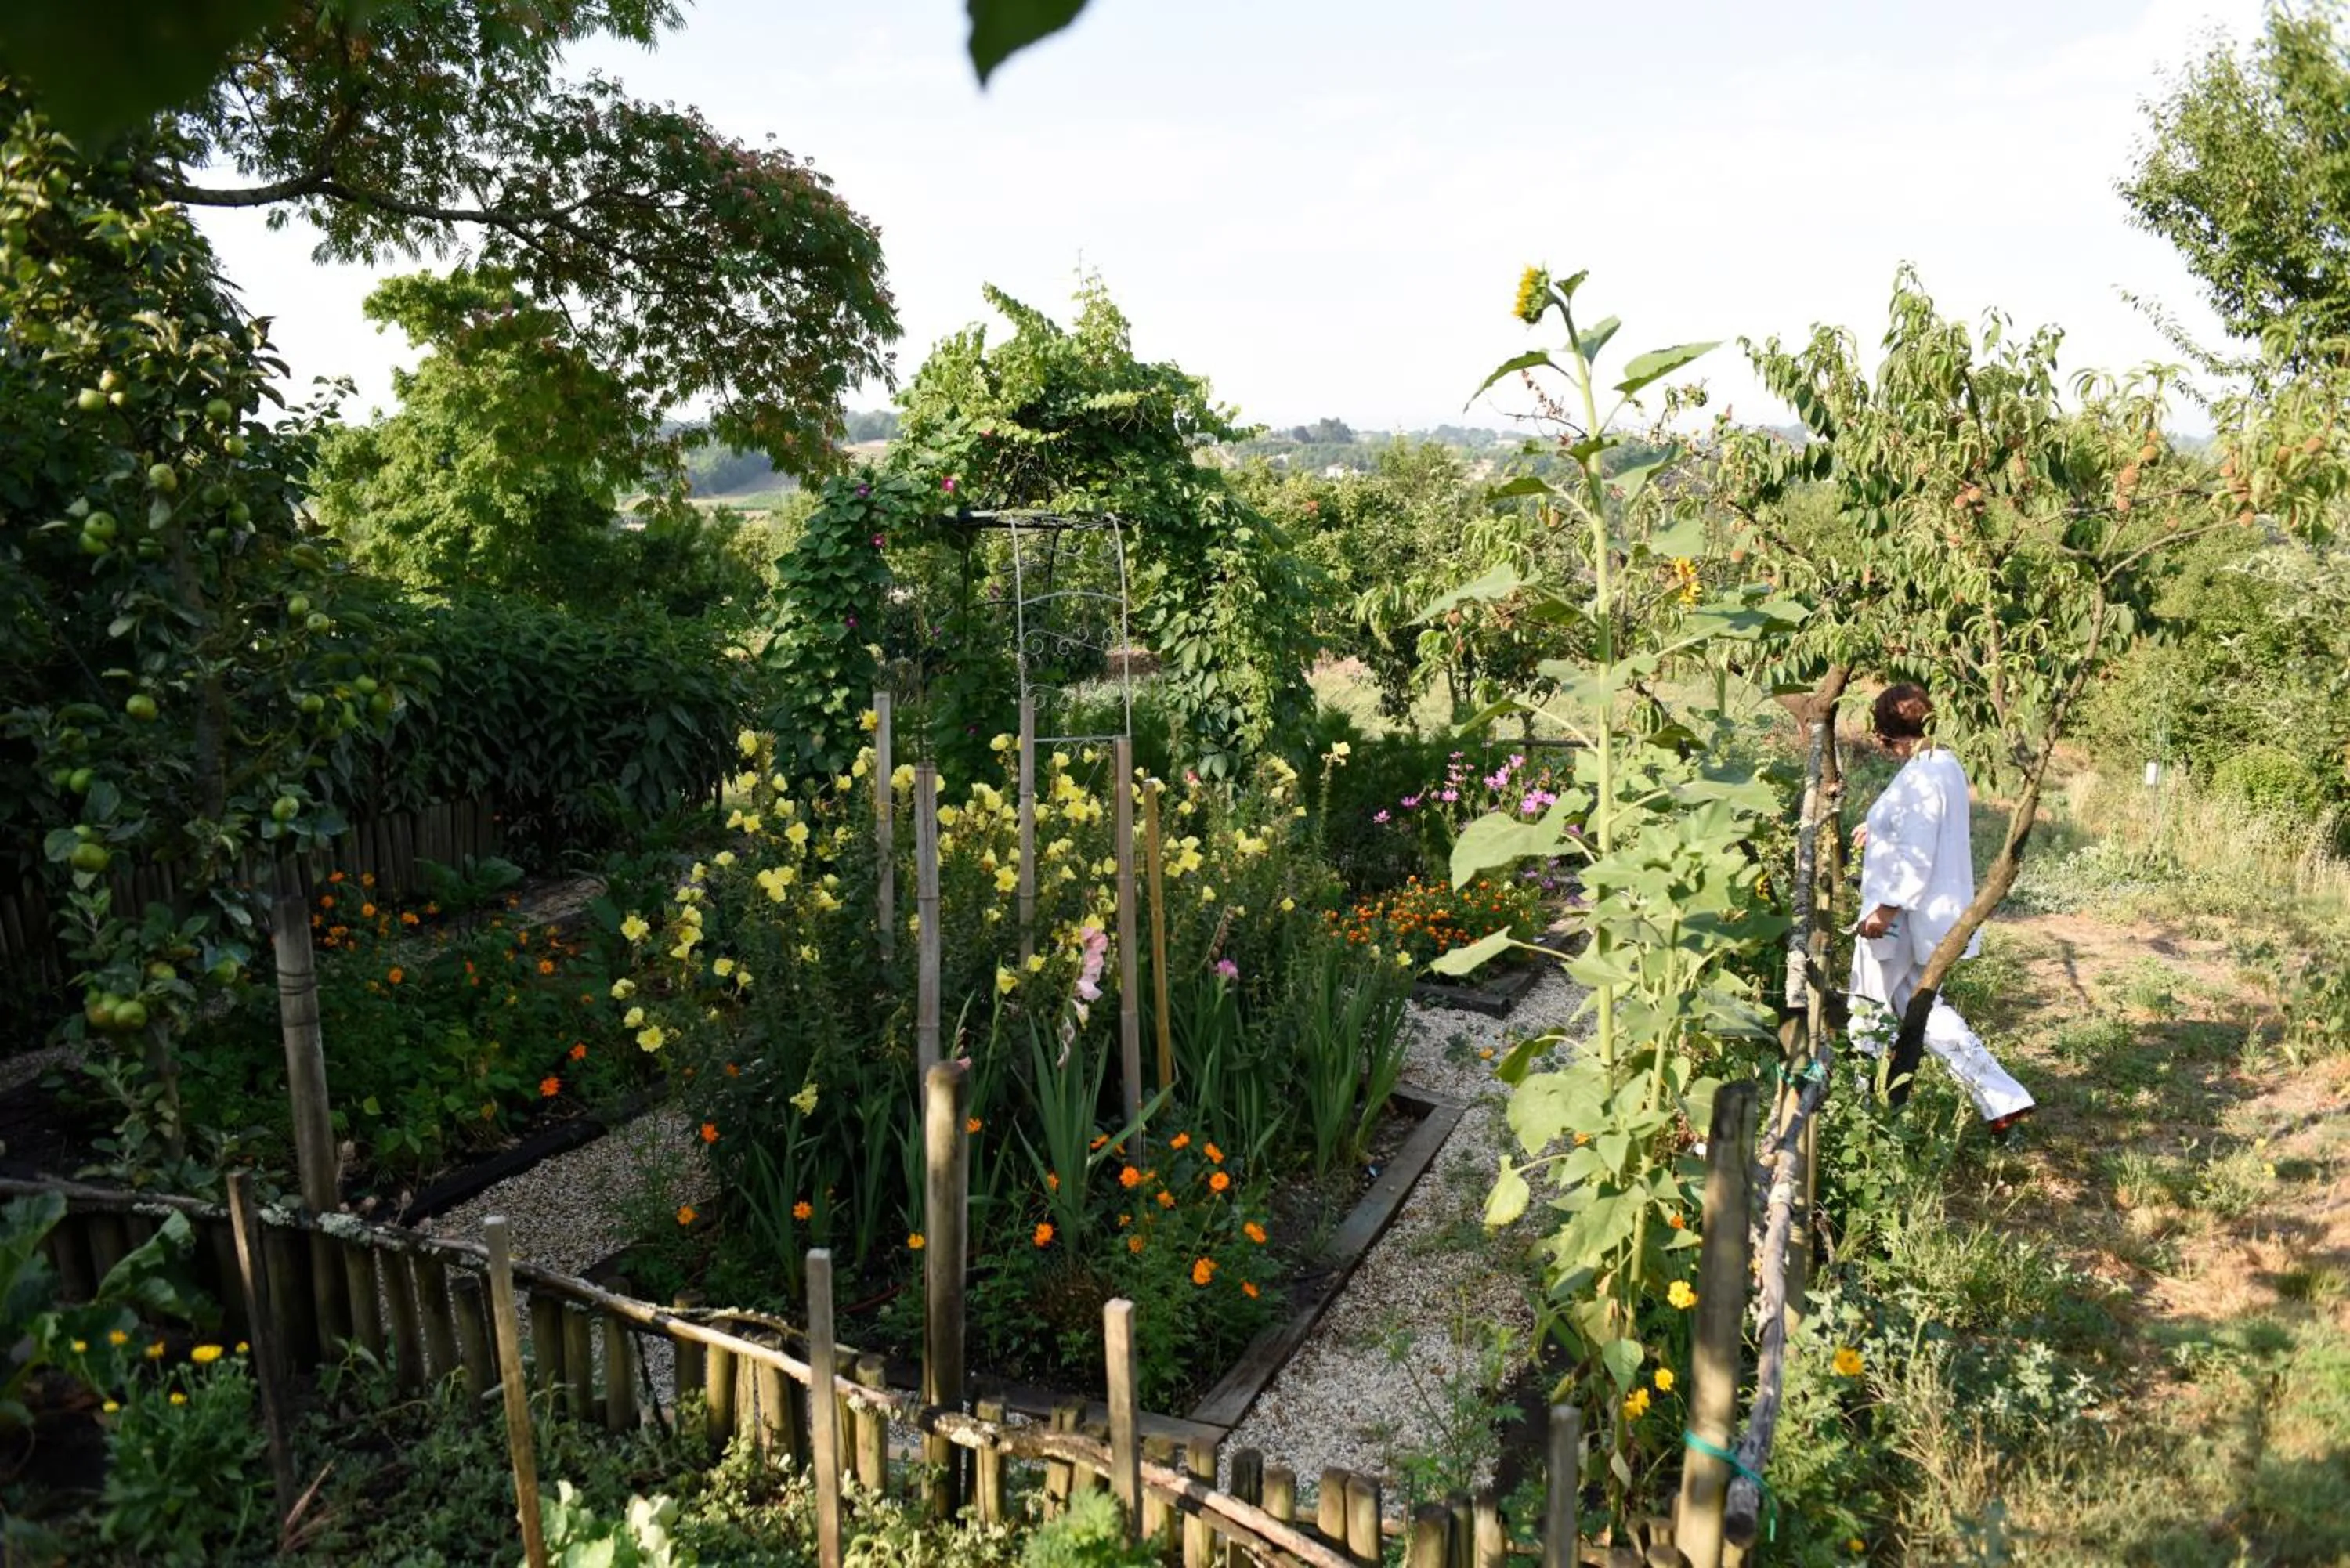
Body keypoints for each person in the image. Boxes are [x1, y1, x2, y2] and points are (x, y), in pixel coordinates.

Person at [1848, 683, 2034, 1132]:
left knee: (1867, 1000)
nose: (1881, 746)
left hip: (1902, 914)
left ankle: (1852, 1105)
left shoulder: (1924, 774)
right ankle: (2003, 1098)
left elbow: (1919, 843)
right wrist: (1879, 829)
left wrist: (1886, 910)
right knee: (1922, 1006)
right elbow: (1917, 824)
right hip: (1924, 912)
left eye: (1882, 737)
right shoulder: (1943, 763)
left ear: (1890, 734)